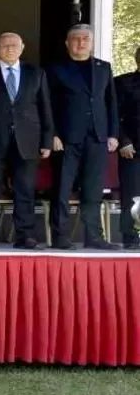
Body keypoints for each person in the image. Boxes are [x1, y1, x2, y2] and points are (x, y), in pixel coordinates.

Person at [0, 32, 54, 249]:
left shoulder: (36, 73)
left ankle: (25, 235)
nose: (9, 49)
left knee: (25, 189)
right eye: (4, 45)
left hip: (28, 139)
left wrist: (46, 140)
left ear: (22, 48)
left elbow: (45, 108)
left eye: (14, 45)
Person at [47, 24, 120, 250]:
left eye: (86, 39)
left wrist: (112, 133)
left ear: (92, 43)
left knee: (93, 190)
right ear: (67, 43)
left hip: (97, 136)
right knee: (62, 189)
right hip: (66, 138)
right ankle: (60, 236)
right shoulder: (55, 69)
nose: (81, 43)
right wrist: (52, 134)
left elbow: (111, 102)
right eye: (76, 39)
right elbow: (47, 105)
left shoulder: (103, 68)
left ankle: (94, 236)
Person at [118, 47, 140, 249]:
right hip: (132, 148)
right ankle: (131, 237)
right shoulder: (123, 83)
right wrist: (123, 141)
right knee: (133, 195)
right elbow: (114, 116)